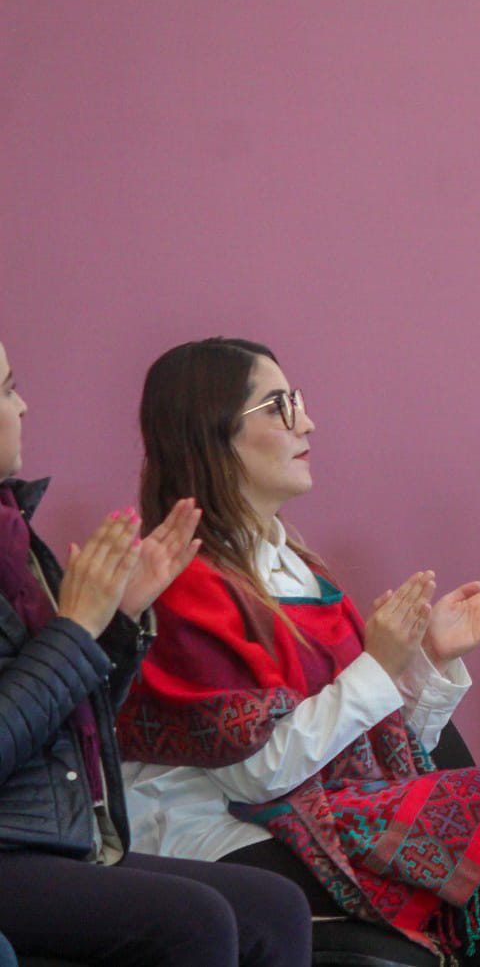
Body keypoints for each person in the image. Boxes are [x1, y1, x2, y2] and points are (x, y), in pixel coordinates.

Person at [115, 338, 480, 967]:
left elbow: (374, 754)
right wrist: (378, 666)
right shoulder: (186, 581)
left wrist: (426, 659)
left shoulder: (298, 571)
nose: (307, 422)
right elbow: (256, 771)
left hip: (305, 811)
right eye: (278, 406)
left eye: (297, 401)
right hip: (217, 839)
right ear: (210, 434)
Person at [0, 339, 312, 967]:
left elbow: (78, 721)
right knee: (193, 924)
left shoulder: (15, 536)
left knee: (276, 908)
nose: (25, 405)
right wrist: (77, 630)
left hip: (61, 832)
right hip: (18, 846)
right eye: (6, 389)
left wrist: (118, 623)